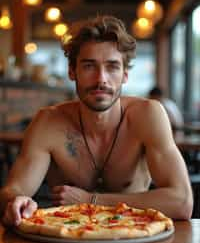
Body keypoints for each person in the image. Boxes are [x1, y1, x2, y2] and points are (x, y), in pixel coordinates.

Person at [0, 15, 193, 226]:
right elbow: (13, 189)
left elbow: (182, 202)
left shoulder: (148, 115)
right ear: (72, 71)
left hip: (133, 241)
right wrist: (16, 202)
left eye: (112, 67)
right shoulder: (48, 122)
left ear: (125, 75)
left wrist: (91, 200)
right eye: (89, 66)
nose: (101, 78)